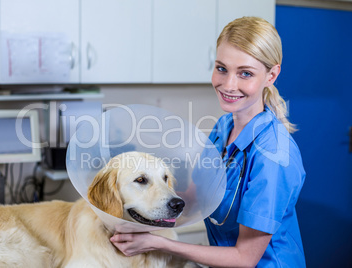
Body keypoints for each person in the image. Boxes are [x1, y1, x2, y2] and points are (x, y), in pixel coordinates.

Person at [110, 16, 306, 268]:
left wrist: (158, 242)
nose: (228, 84)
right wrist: (136, 204)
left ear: (271, 75)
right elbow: (195, 197)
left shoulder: (274, 154)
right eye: (222, 68)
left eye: (245, 73)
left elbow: (244, 258)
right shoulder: (223, 127)